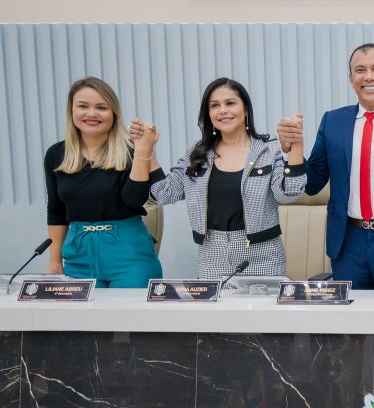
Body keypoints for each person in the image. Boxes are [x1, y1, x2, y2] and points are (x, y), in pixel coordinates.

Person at [276, 44, 374, 289]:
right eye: (360, 70)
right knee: (351, 323)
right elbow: (313, 183)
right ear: (351, 79)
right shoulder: (333, 122)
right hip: (348, 241)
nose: (369, 76)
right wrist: (293, 149)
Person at [142, 78, 306, 279]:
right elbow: (163, 194)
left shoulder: (269, 150)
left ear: (245, 109)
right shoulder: (196, 152)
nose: (222, 111)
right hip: (212, 257)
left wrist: (295, 145)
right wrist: (147, 149)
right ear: (208, 114)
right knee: (216, 311)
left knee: (261, 311)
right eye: (215, 106)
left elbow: (289, 193)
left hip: (263, 257)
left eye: (230, 103)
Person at [43, 77, 162, 287]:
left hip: (130, 255)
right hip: (78, 255)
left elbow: (134, 200)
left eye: (101, 107)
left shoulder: (132, 150)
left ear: (113, 113)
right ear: (71, 110)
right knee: (82, 320)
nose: (91, 114)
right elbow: (56, 210)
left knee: (129, 319)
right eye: (83, 106)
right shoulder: (56, 154)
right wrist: (54, 261)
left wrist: (144, 151)